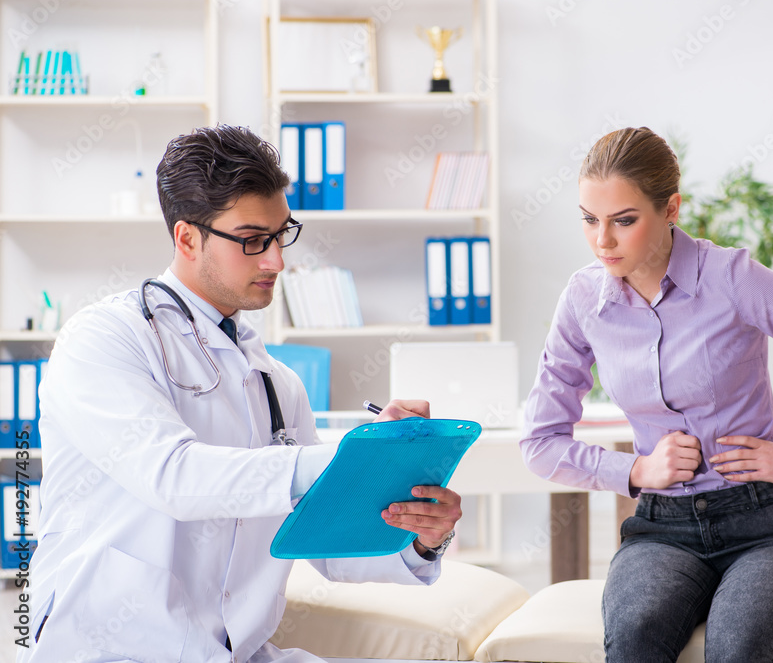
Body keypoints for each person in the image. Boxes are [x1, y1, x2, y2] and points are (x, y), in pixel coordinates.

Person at [22, 125, 461, 663]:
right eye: (253, 239)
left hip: (239, 653)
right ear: (187, 238)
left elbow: (324, 544)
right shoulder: (103, 340)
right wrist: (343, 461)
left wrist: (416, 529)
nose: (277, 260)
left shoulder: (276, 381)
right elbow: (174, 478)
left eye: (283, 234)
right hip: (111, 649)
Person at [520, 127, 773, 663]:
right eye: (589, 219)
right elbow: (539, 441)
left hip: (767, 525)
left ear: (671, 208)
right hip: (662, 528)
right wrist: (635, 472)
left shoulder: (731, 277)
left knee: (737, 645)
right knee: (634, 638)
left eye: (624, 220)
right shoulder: (584, 298)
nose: (602, 240)